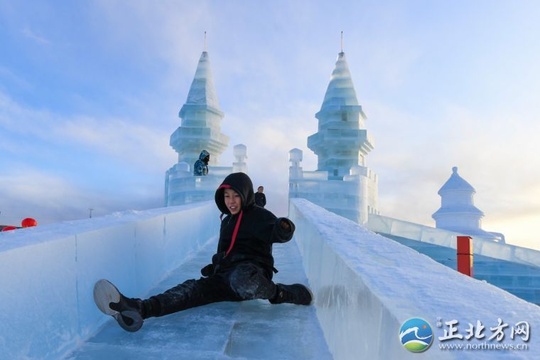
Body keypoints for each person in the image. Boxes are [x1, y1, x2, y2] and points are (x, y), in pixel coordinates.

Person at [95, 172, 312, 332]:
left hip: (252, 272)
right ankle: (139, 307)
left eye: (235, 196)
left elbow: (277, 233)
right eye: (227, 196)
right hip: (225, 278)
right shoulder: (226, 221)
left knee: (242, 277)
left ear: (245, 194)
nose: (231, 202)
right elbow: (224, 250)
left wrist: (283, 227)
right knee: (190, 289)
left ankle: (281, 293)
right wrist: (217, 264)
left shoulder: (258, 215)